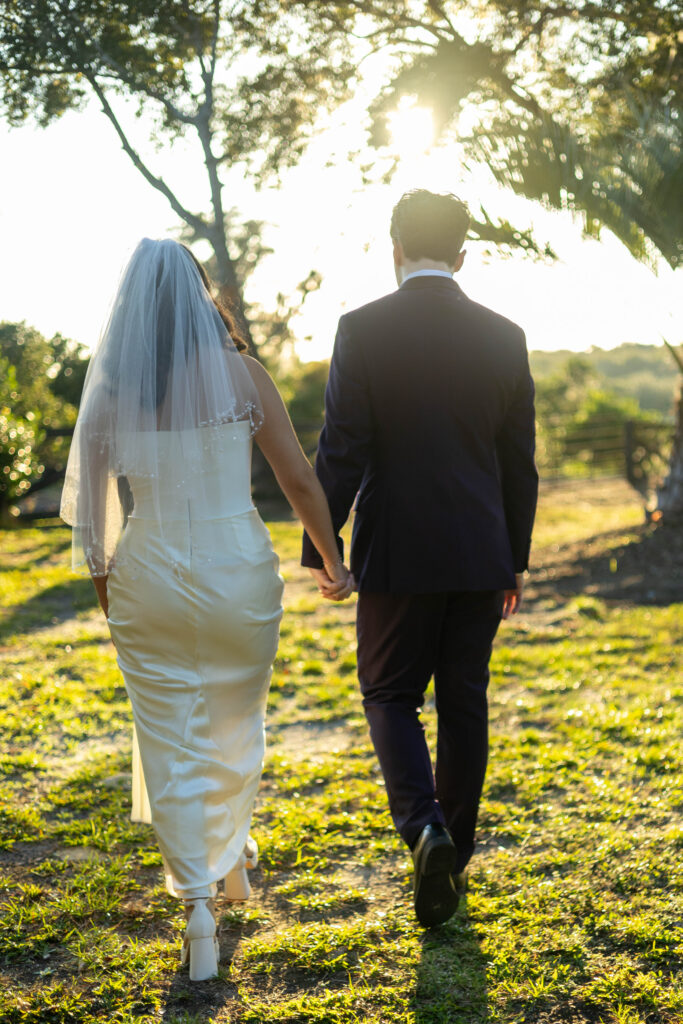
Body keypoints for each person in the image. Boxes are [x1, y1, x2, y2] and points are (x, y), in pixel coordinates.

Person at [61, 238, 352, 981]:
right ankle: (230, 863)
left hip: (147, 576)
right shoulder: (242, 376)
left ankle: (199, 903)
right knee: (234, 723)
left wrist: (112, 602)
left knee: (167, 738)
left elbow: (93, 526)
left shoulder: (111, 395)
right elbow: (299, 479)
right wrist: (334, 560)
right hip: (236, 573)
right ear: (200, 297)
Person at [302, 189, 538, 927]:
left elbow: (342, 448)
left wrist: (323, 549)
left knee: (388, 693)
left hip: (397, 552)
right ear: (461, 257)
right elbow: (519, 464)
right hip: (481, 553)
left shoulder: (362, 329)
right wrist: (515, 559)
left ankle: (424, 830)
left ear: (395, 249)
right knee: (464, 700)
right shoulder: (505, 336)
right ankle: (451, 859)